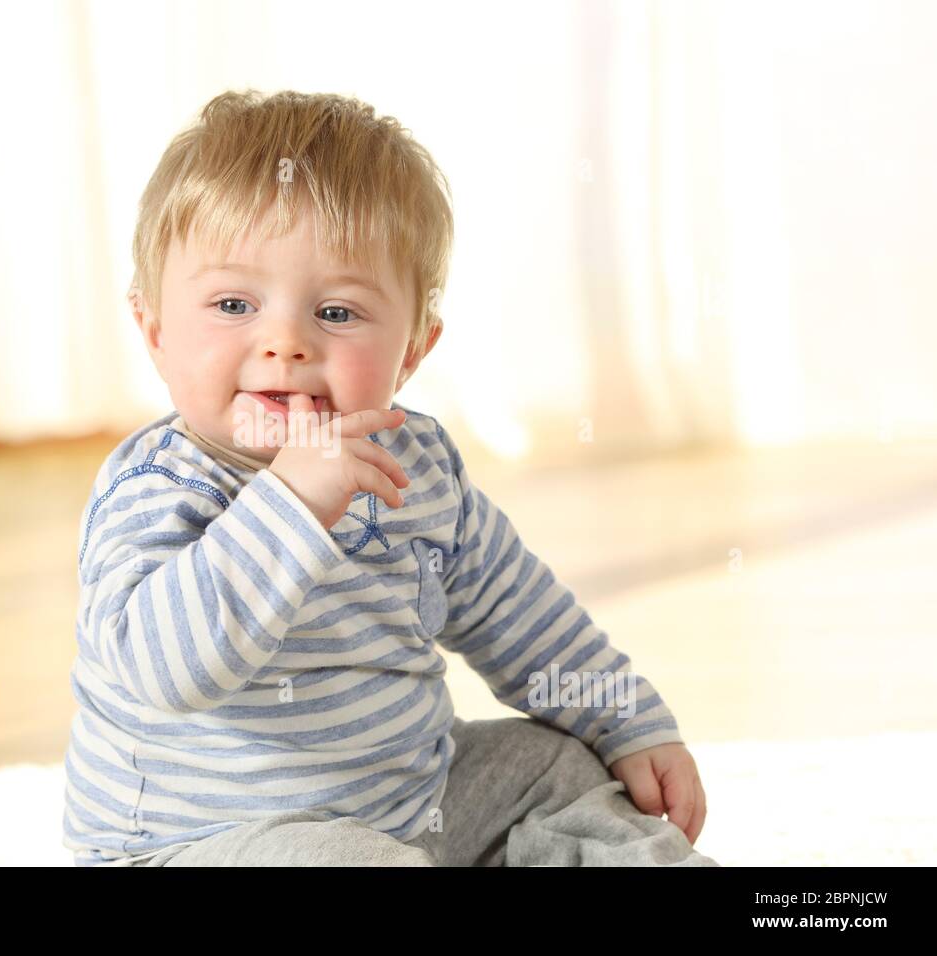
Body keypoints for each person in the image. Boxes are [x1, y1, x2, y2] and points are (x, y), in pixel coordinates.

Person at [62, 89, 717, 867]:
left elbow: (520, 613)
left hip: (412, 804)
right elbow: (162, 671)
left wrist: (628, 721)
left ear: (413, 349)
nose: (285, 341)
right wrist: (292, 504)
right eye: (234, 303)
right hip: (204, 844)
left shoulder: (416, 466)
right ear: (156, 331)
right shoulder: (157, 487)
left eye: (337, 313)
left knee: (557, 770)